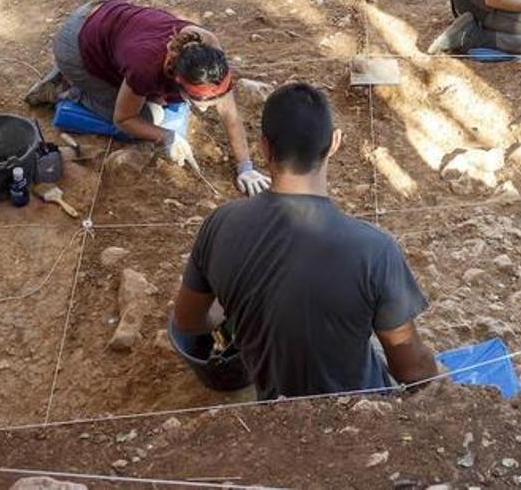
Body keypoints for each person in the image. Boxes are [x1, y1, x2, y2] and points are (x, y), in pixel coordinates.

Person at [172, 82, 438, 399]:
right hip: (365, 421)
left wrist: (239, 307)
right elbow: (413, 371)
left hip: (280, 416)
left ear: (265, 148)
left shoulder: (219, 225)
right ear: (334, 143)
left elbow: (187, 321)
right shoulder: (374, 249)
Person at [24, 0, 268, 197]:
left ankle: (81, 78)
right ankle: (66, 87)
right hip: (75, 46)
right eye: (197, 103)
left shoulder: (209, 53)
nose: (204, 111)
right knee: (147, 118)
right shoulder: (146, 66)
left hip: (103, 20)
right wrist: (166, 136)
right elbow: (123, 119)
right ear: (177, 78)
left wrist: (245, 167)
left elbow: (229, 111)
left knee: (155, 104)